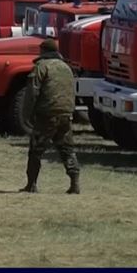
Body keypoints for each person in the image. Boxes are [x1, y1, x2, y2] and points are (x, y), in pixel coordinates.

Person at [19, 39, 80, 194]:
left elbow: (32, 92)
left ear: (43, 51)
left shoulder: (41, 67)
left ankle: (31, 184)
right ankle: (75, 183)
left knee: (36, 150)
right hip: (66, 113)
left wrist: (26, 115)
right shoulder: (66, 67)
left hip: (47, 114)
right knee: (67, 149)